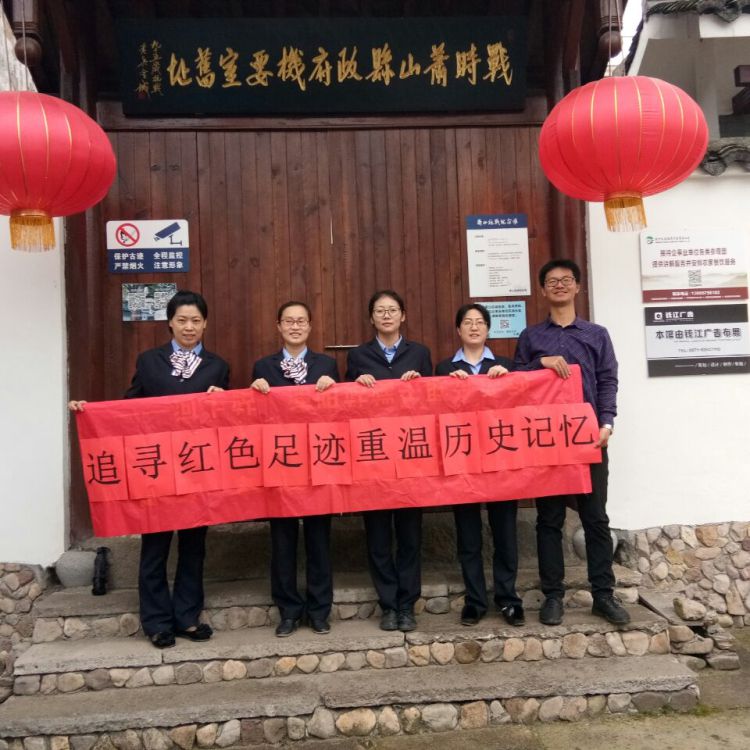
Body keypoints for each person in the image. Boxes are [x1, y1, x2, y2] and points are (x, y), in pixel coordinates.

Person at [68, 290, 230, 648]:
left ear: (205, 324)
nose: (189, 327)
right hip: (156, 469)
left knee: (194, 546)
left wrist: (223, 401)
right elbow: (129, 409)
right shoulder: (149, 361)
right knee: (155, 546)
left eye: (196, 320)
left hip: (196, 467)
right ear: (170, 322)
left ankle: (187, 617)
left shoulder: (217, 366)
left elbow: (227, 419)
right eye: (182, 320)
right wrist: (90, 412)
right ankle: (156, 621)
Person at [514, 259, 630, 627]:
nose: (560, 285)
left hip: (589, 440)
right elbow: (516, 380)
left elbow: (608, 380)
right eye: (552, 281)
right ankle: (553, 596)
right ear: (542, 290)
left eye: (566, 280)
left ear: (578, 287)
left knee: (595, 518)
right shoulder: (531, 337)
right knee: (549, 520)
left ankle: (603, 595)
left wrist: (607, 422)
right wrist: (541, 363)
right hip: (547, 441)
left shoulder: (597, 334)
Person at [250, 301, 338, 637]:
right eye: (289, 321)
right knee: (283, 541)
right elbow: (255, 416)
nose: (295, 326)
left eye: (301, 321)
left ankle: (319, 610)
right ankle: (288, 610)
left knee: (319, 540)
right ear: (279, 326)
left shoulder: (326, 365)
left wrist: (333, 387)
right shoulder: (263, 366)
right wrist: (255, 390)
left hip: (318, 462)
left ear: (310, 326)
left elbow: (340, 412)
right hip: (281, 464)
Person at [345, 290, 432, 632]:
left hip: (410, 458)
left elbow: (432, 401)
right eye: (380, 311)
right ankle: (388, 604)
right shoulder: (358, 356)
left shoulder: (419, 353)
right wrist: (357, 384)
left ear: (403, 315)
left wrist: (420, 385)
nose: (386, 315)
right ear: (371, 318)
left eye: (392, 310)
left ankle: (407, 604)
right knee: (378, 537)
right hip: (374, 459)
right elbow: (347, 405)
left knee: (410, 536)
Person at [436, 303, 524, 627]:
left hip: (500, 461)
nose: (474, 327)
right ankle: (475, 601)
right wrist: (449, 386)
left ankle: (508, 598)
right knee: (468, 537)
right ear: (458, 330)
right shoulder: (444, 367)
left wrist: (507, 381)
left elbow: (520, 407)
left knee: (505, 535)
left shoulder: (505, 365)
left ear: (488, 329)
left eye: (479, 322)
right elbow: (433, 410)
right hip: (461, 462)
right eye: (467, 322)